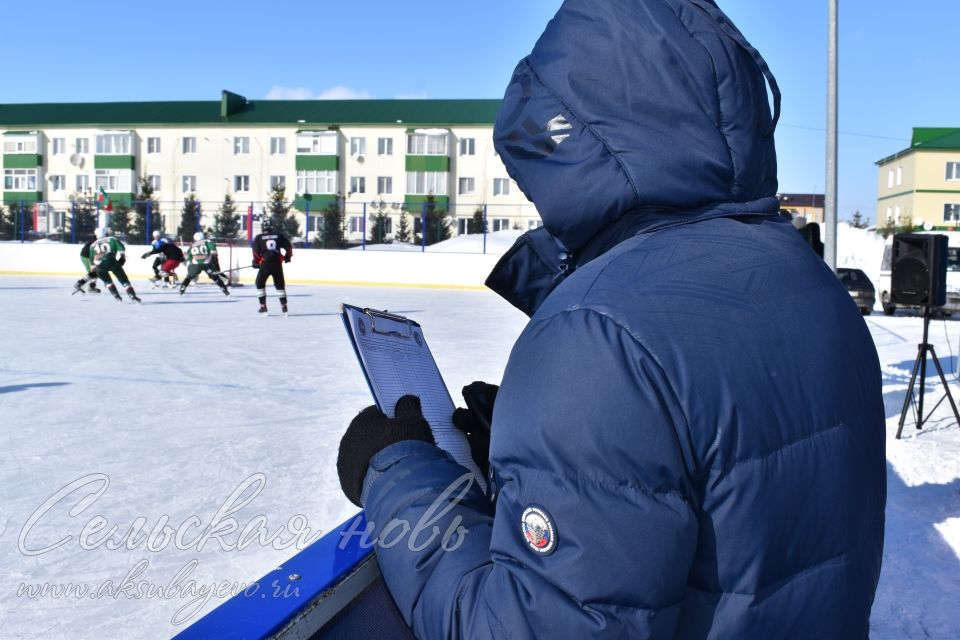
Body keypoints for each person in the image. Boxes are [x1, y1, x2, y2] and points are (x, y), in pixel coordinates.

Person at [336, 1, 886, 638]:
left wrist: (401, 471)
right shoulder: (807, 280)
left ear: (571, 139)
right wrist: (550, 470)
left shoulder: (597, 335)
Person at [74, 227, 140, 303]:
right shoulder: (112, 239)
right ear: (105, 233)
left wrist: (94, 269)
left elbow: (92, 261)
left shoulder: (93, 244)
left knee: (104, 278)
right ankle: (132, 295)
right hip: (111, 261)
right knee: (123, 280)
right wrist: (122, 257)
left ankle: (116, 296)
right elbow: (121, 247)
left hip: (99, 264)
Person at [251, 218, 292, 314]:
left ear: (263, 228)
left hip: (265, 264)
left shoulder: (259, 237)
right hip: (277, 263)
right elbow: (289, 247)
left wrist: (255, 262)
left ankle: (263, 306)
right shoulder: (279, 236)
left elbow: (255, 251)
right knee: (279, 284)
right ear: (271, 227)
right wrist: (287, 257)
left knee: (259, 283)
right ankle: (284, 305)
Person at [179, 231, 230, 296]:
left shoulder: (192, 245)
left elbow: (189, 257)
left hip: (195, 265)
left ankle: (182, 289)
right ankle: (224, 290)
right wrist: (214, 263)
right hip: (207, 264)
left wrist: (187, 259)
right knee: (215, 277)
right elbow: (214, 253)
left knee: (189, 277)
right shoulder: (208, 242)